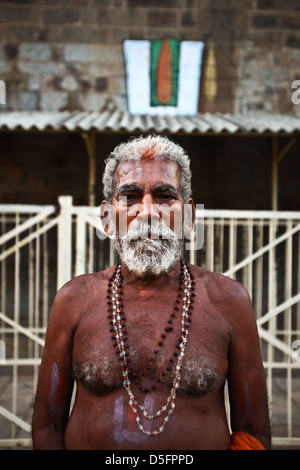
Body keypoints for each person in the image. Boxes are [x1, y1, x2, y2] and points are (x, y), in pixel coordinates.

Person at [32, 135, 271, 450]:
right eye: (130, 195)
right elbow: (47, 426)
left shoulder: (229, 301)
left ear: (188, 216)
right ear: (106, 217)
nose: (147, 212)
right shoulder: (74, 300)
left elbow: (254, 433)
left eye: (163, 195)